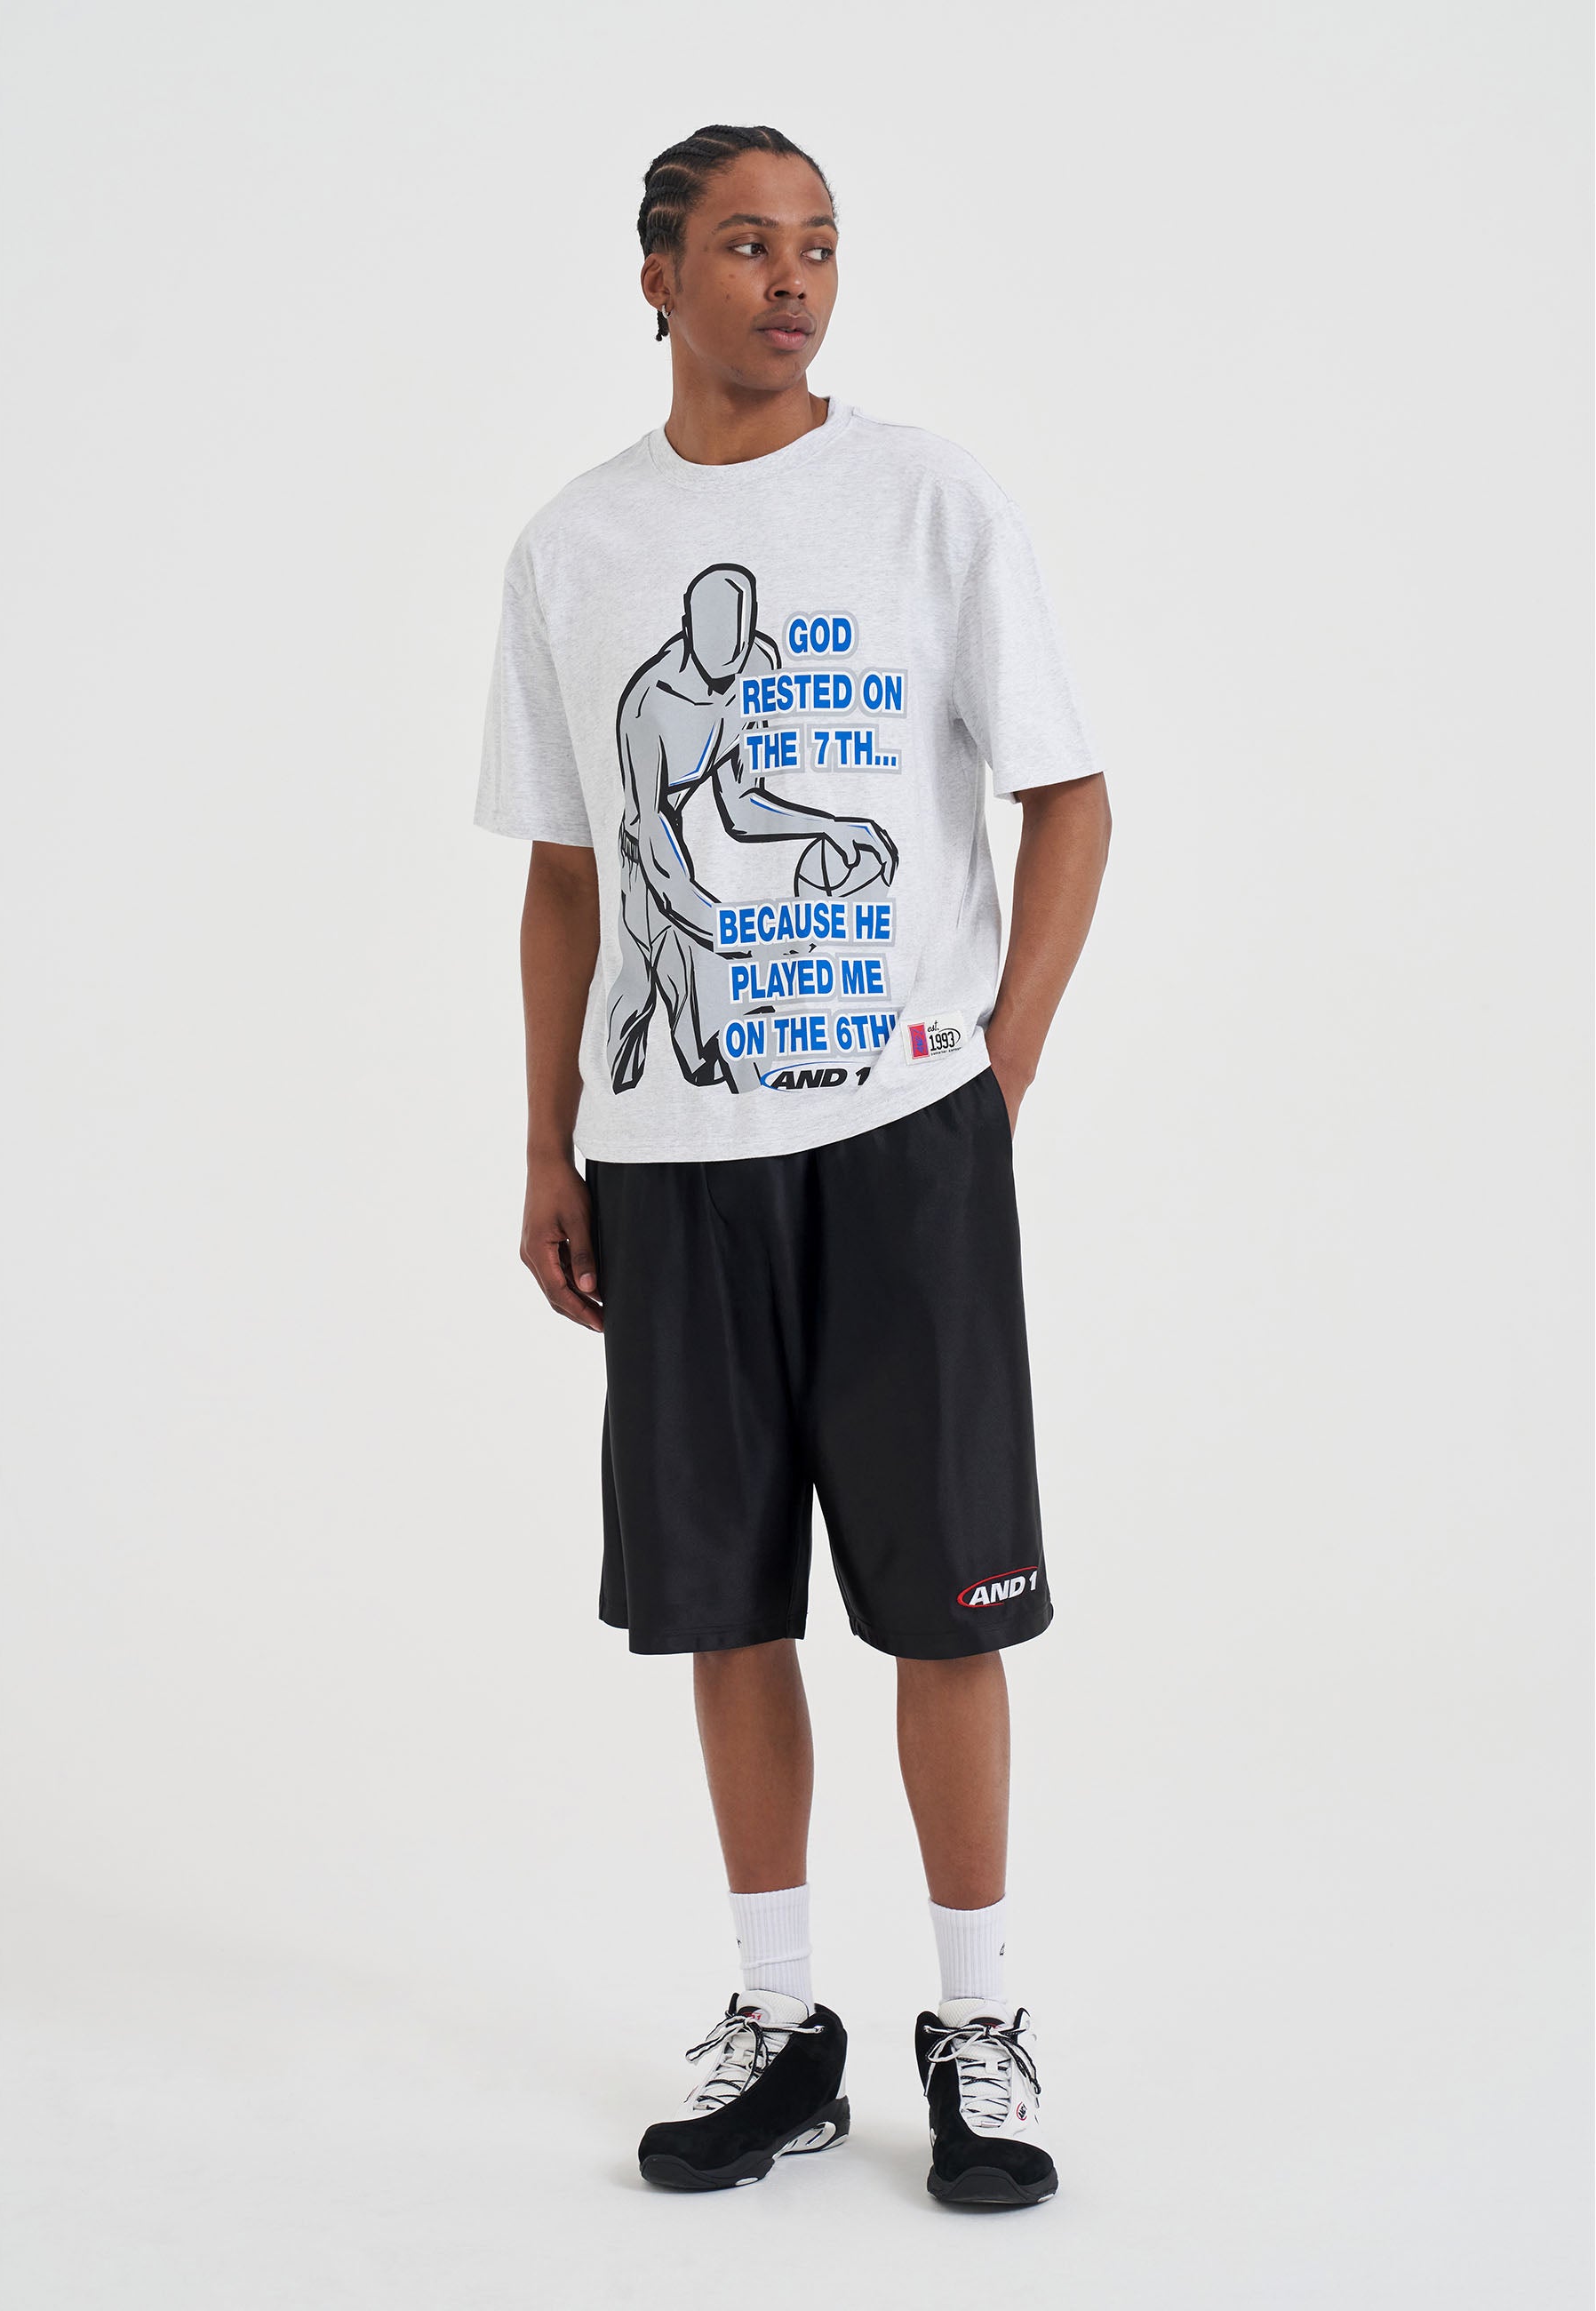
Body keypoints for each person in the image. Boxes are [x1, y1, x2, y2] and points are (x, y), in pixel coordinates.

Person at [475, 123, 1112, 2208]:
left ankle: (979, 2025)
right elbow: (571, 874)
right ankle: (783, 2025)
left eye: (820, 245)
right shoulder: (576, 547)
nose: (793, 280)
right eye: (749, 243)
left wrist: (998, 1071)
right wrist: (551, 1135)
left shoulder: (925, 497)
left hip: (903, 1138)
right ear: (658, 275)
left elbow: (1070, 799)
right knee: (725, 1608)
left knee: (947, 1604)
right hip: (673, 1156)